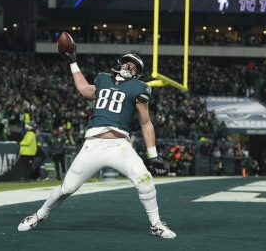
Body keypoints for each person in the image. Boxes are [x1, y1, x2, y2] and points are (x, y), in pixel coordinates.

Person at [17, 52, 175, 239]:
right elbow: (84, 89)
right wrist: (73, 62)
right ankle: (38, 216)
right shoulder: (103, 79)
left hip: (119, 146)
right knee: (67, 188)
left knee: (145, 180)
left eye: (134, 67)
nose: (129, 68)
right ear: (121, 64)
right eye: (128, 64)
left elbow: (146, 122)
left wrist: (153, 155)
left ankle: (156, 224)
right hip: (93, 144)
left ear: (138, 73)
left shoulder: (139, 88)